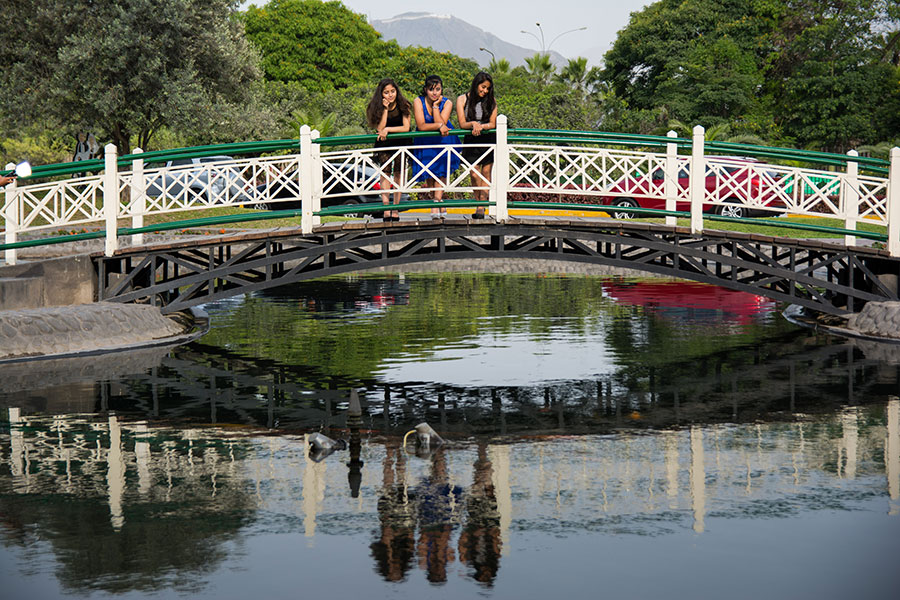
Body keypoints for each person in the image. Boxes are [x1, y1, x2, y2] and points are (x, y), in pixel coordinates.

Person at [411, 75, 461, 218]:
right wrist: (439, 125)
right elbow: (421, 125)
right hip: (425, 140)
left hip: (443, 140)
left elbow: (442, 123)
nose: (434, 93)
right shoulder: (418, 101)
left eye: (438, 89)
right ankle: (438, 202)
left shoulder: (447, 103)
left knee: (441, 171)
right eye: (431, 89)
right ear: (425, 90)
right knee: (429, 172)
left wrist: (435, 107)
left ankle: (436, 204)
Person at [367, 78, 412, 222]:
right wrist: (385, 109)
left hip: (401, 143)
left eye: (393, 91)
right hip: (384, 144)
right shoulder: (376, 107)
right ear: (381, 94)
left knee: (398, 173)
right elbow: (380, 128)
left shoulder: (404, 104)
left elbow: (406, 127)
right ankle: (386, 209)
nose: (390, 95)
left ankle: (395, 208)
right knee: (385, 174)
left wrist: (389, 130)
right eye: (386, 92)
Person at [456, 72, 497, 219]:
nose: (485, 91)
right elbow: (462, 123)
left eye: (487, 88)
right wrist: (473, 124)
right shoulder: (462, 99)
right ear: (476, 84)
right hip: (471, 138)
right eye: (483, 87)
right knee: (474, 172)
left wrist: (481, 126)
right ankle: (478, 200)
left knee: (486, 172)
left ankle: (481, 206)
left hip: (487, 138)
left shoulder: (491, 101)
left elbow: (493, 123)